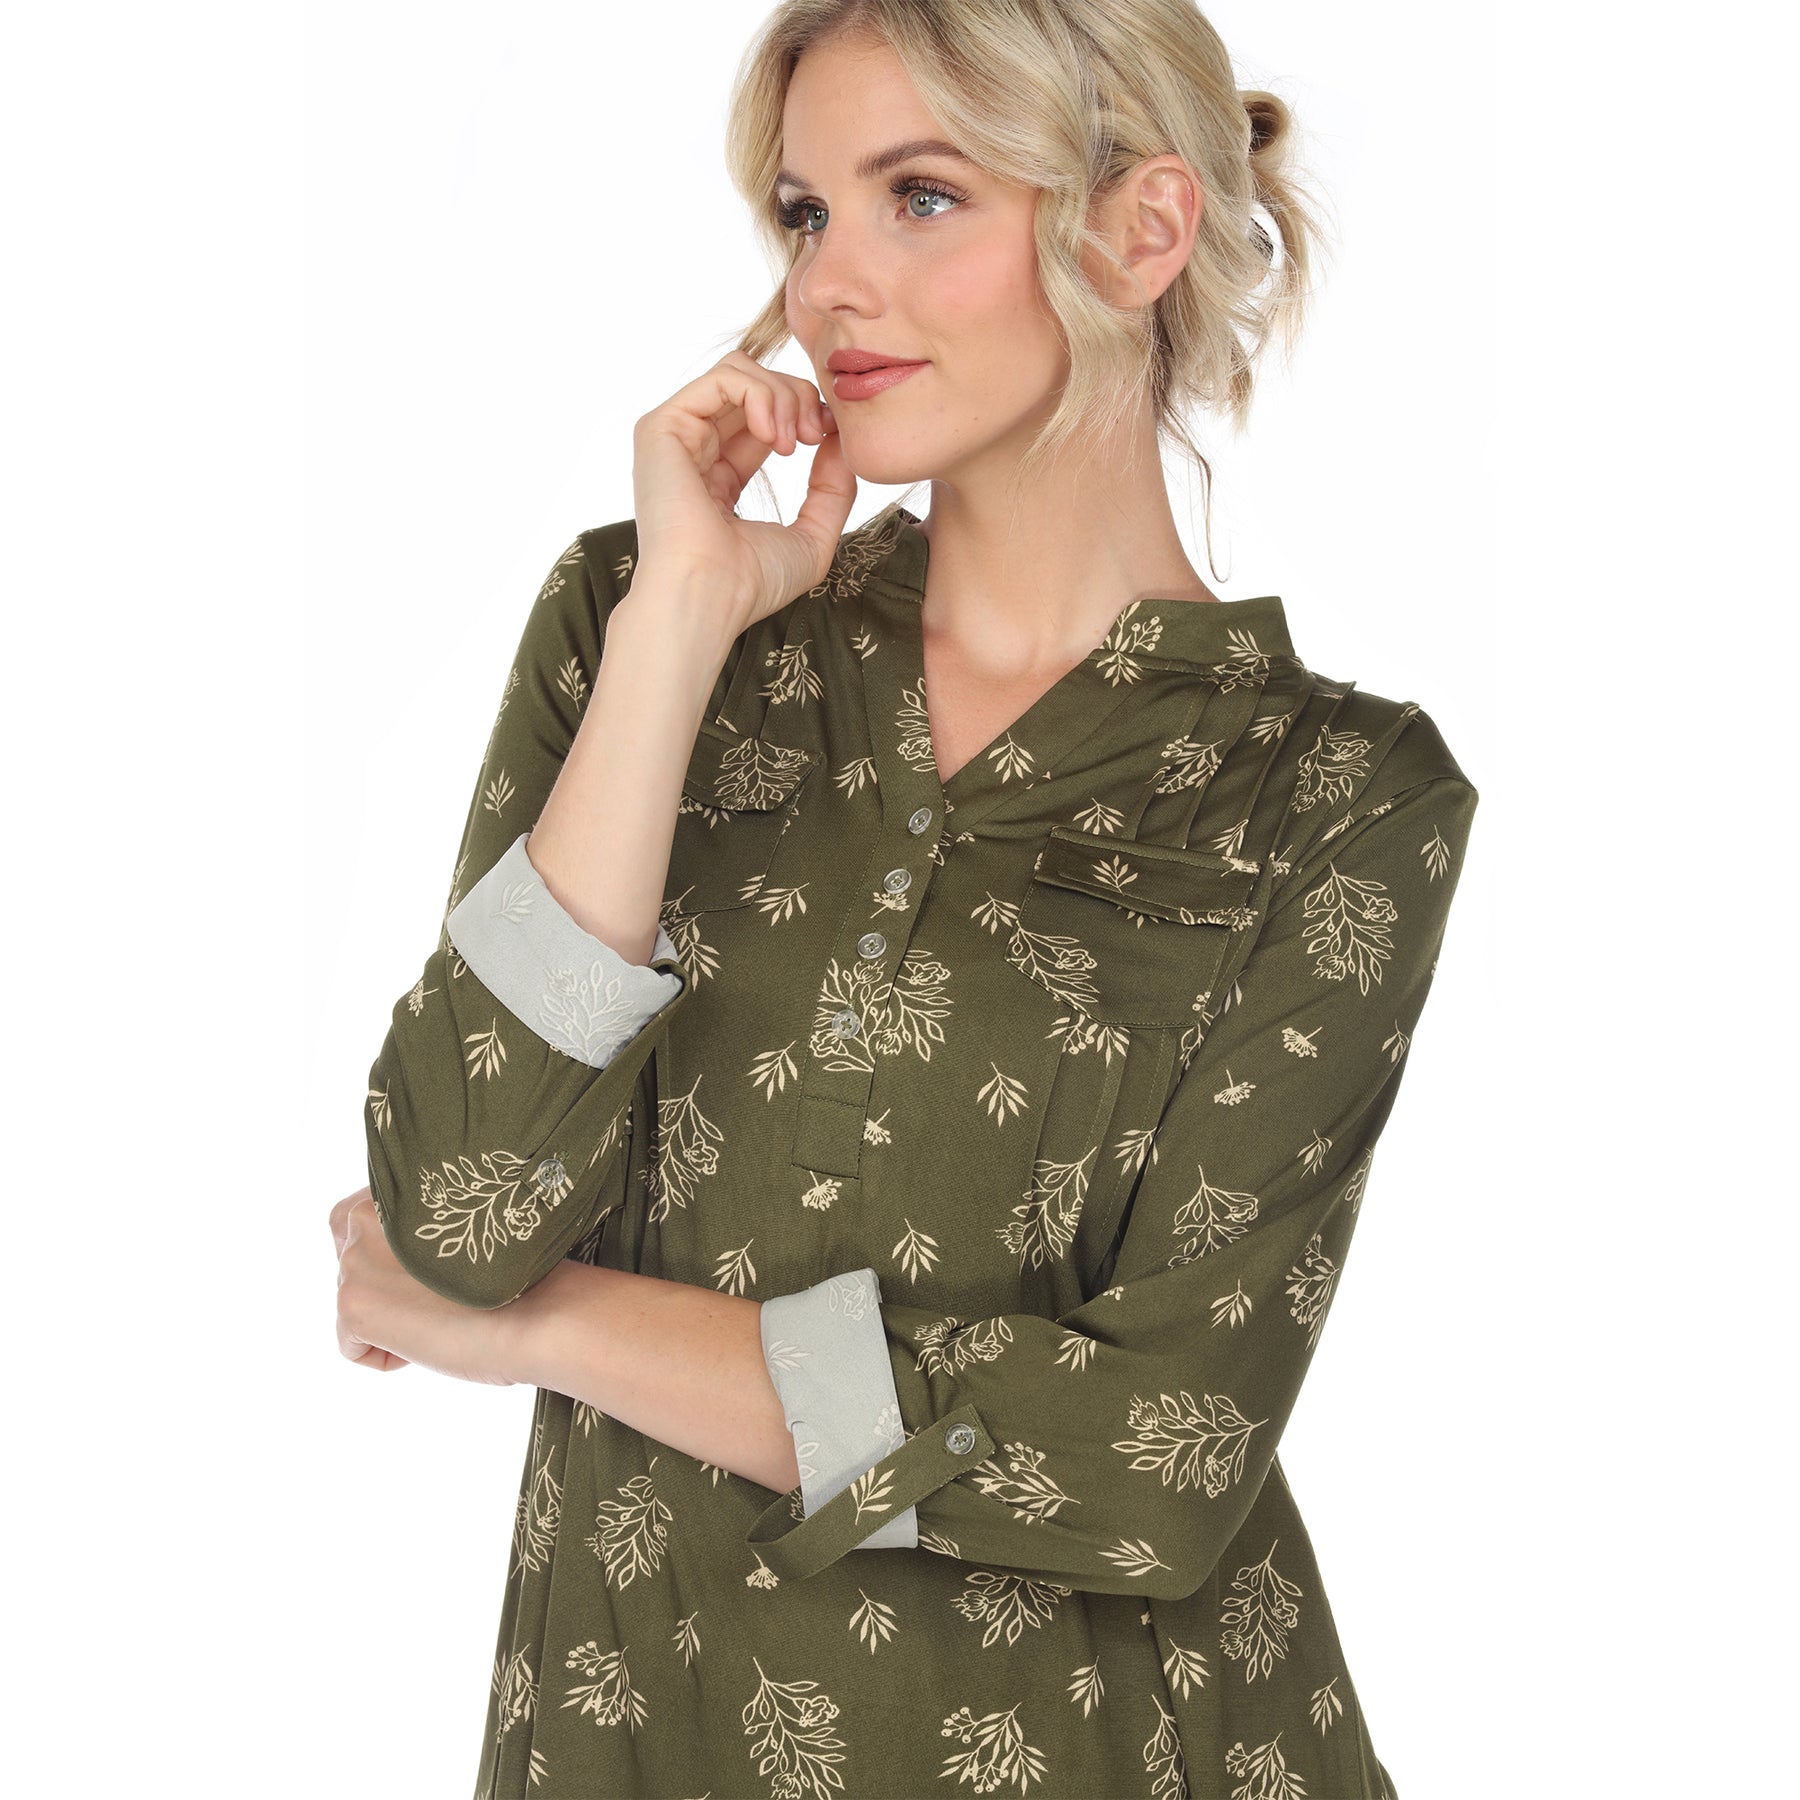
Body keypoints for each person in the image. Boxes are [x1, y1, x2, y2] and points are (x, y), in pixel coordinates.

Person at [332, 3, 1479, 1795]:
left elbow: (1151, 1462)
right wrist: (681, 629)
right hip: (640, 1722)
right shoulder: (642, 627)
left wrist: (547, 1331)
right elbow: (460, 1208)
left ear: (1141, 232)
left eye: (920, 197)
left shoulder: (1333, 798)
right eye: (807, 214)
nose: (828, 287)